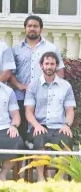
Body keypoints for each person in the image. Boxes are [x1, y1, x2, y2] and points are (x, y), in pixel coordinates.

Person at [10, 16, 65, 141]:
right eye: (29, 26)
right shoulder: (16, 49)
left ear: (41, 29)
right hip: (20, 97)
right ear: (25, 28)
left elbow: (60, 72)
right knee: (20, 138)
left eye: (35, 26)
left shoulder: (51, 48)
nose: (32, 29)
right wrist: (20, 86)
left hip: (44, 99)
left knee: (39, 136)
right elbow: (10, 73)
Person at [24, 51, 75, 181]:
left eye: (52, 64)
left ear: (57, 65)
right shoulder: (33, 86)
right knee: (39, 139)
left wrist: (67, 125)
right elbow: (28, 111)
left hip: (59, 126)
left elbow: (70, 110)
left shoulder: (66, 86)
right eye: (46, 63)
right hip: (39, 126)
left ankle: (60, 179)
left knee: (66, 140)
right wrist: (36, 125)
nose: (49, 66)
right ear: (41, 65)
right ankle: (41, 178)